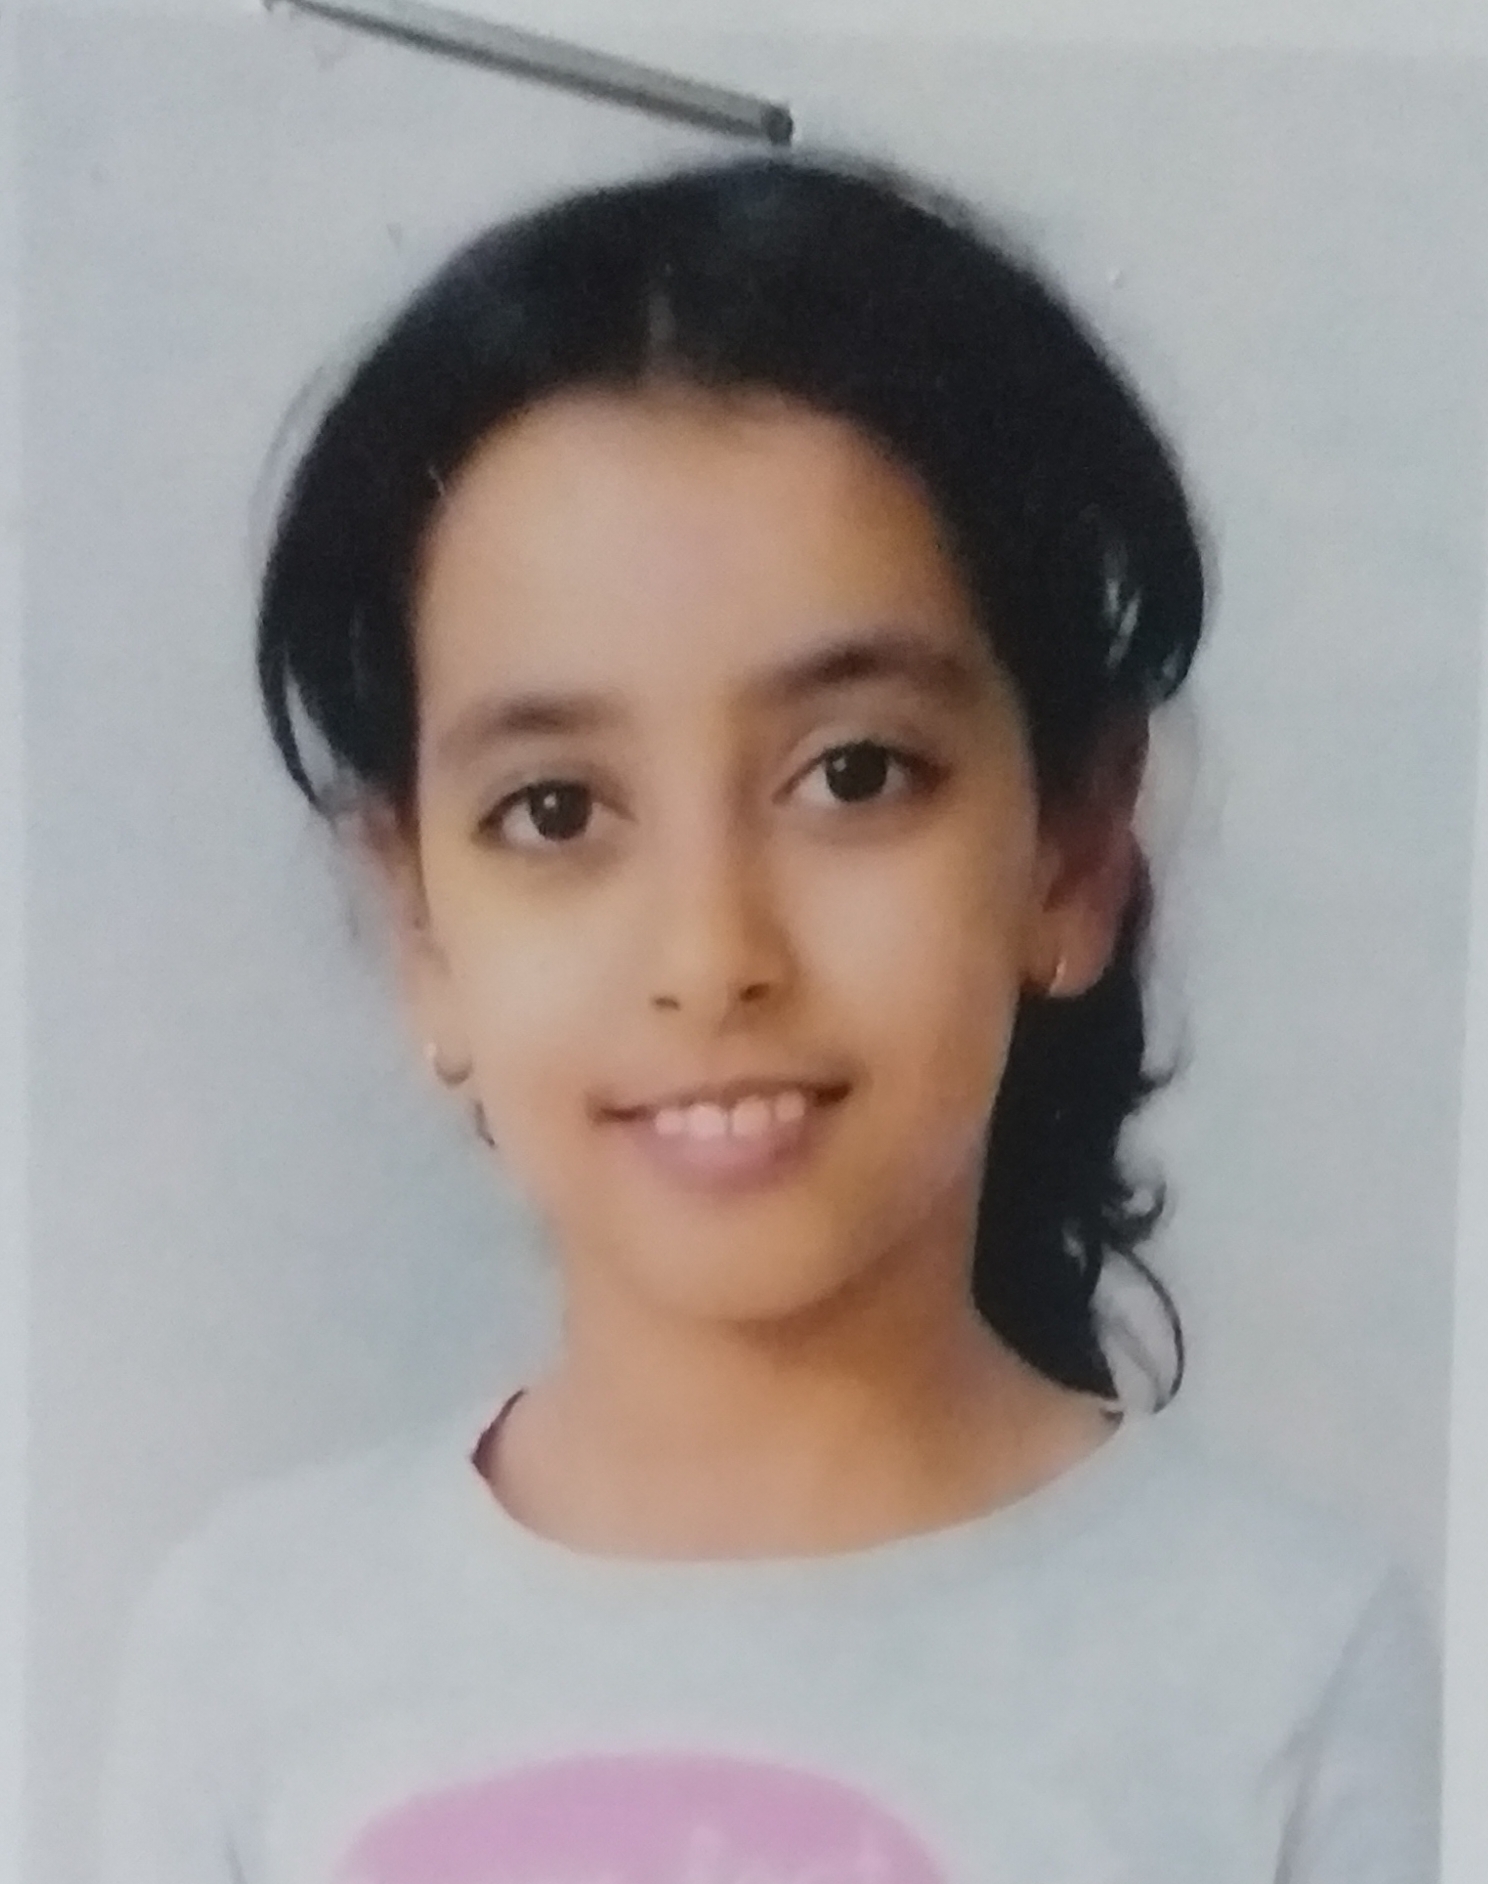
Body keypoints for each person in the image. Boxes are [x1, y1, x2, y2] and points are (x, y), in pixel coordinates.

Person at [96, 150, 1440, 1883]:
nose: (711, 951)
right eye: (557, 810)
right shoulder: (247, 1647)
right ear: (418, 922)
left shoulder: (1291, 1662)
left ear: (1073, 848)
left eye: (853, 774)